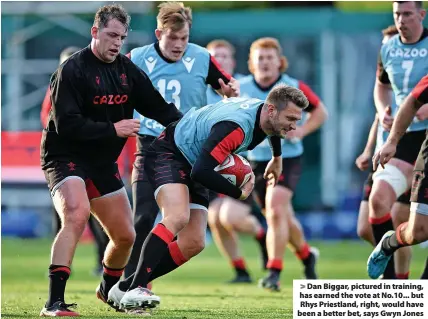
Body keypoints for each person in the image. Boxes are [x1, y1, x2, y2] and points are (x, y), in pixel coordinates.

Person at [39, 4, 182, 316]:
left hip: (102, 163)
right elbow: (67, 125)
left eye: (122, 37)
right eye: (111, 35)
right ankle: (53, 303)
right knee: (77, 214)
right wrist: (113, 129)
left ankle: (107, 290)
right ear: (95, 32)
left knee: (125, 236)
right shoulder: (72, 70)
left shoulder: (127, 71)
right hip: (65, 157)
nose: (117, 43)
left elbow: (159, 108)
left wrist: (192, 127)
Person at [113, 84, 308, 311]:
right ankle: (137, 287)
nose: (294, 126)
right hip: (170, 152)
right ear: (272, 110)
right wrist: (239, 193)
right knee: (177, 217)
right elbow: (201, 172)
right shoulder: (235, 128)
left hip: (198, 159)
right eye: (291, 118)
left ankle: (123, 287)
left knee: (194, 242)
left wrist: (277, 157)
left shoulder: (265, 112)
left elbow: (273, 129)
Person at [123, 2, 239, 284]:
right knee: (142, 219)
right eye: (172, 37)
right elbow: (116, 90)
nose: (178, 44)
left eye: (184, 38)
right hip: (151, 146)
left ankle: (133, 281)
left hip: (191, 151)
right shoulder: (136, 58)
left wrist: (230, 90)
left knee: (194, 241)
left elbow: (226, 84)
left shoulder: (201, 57)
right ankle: (133, 285)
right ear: (158, 33)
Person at [240, 37, 327, 291]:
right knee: (282, 218)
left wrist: (300, 131)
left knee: (276, 208)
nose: (265, 63)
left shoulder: (292, 87)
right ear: (252, 64)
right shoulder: (242, 87)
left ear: (280, 63)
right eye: (260, 58)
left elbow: (321, 112)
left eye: (270, 58)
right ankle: (307, 256)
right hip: (255, 161)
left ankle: (274, 271)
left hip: (287, 159)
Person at [368, 0, 428, 279]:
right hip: (406, 137)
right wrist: (383, 113)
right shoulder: (388, 48)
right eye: (398, 14)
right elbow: (387, 91)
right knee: (378, 205)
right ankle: (391, 280)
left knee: (415, 226)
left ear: (421, 15)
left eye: (407, 13)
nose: (402, 20)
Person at [41, 46, 109, 277]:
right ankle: (59, 267)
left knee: (98, 218)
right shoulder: (56, 88)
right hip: (66, 161)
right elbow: (49, 121)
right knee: (68, 215)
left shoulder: (94, 87)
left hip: (92, 160)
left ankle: (102, 263)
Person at [206, 39, 268, 283]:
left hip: (244, 164)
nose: (219, 61)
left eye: (224, 56)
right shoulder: (201, 90)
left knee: (229, 217)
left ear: (232, 61)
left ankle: (263, 236)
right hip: (211, 165)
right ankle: (241, 271)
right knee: (214, 219)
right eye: (214, 57)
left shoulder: (247, 87)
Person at [355, 25, 413, 279]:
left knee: (401, 220)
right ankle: (391, 273)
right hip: (381, 156)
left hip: (408, 155)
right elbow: (378, 121)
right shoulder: (384, 85)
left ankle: (397, 282)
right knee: (364, 227)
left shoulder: (412, 85)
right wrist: (368, 150)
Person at [206, 39, 245, 104]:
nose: (219, 60)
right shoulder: (199, 88)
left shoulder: (246, 85)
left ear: (233, 62)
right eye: (215, 56)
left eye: (224, 56)